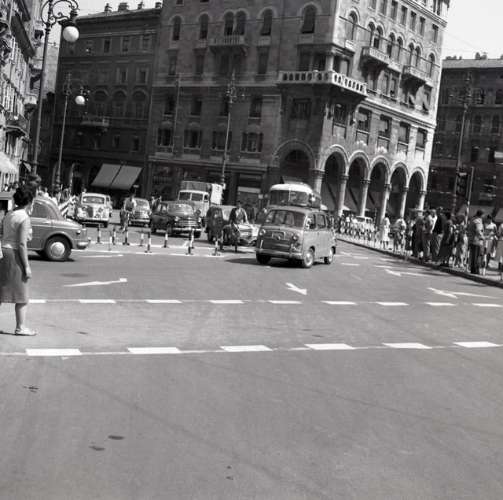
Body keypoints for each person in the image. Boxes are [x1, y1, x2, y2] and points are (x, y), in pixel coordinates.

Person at [0, 186, 36, 336]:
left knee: (1, 291)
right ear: (29, 202)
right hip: (14, 254)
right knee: (22, 294)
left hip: (3, 251)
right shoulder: (24, 218)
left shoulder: (9, 214)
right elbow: (22, 244)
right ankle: (20, 327)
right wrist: (26, 266)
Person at [467, 210, 485, 274]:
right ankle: (475, 270)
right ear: (481, 215)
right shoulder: (478, 221)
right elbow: (478, 230)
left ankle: (473, 269)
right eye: (483, 215)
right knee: (477, 256)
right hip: (477, 240)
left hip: (472, 239)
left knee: (473, 255)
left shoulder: (473, 219)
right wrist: (482, 237)